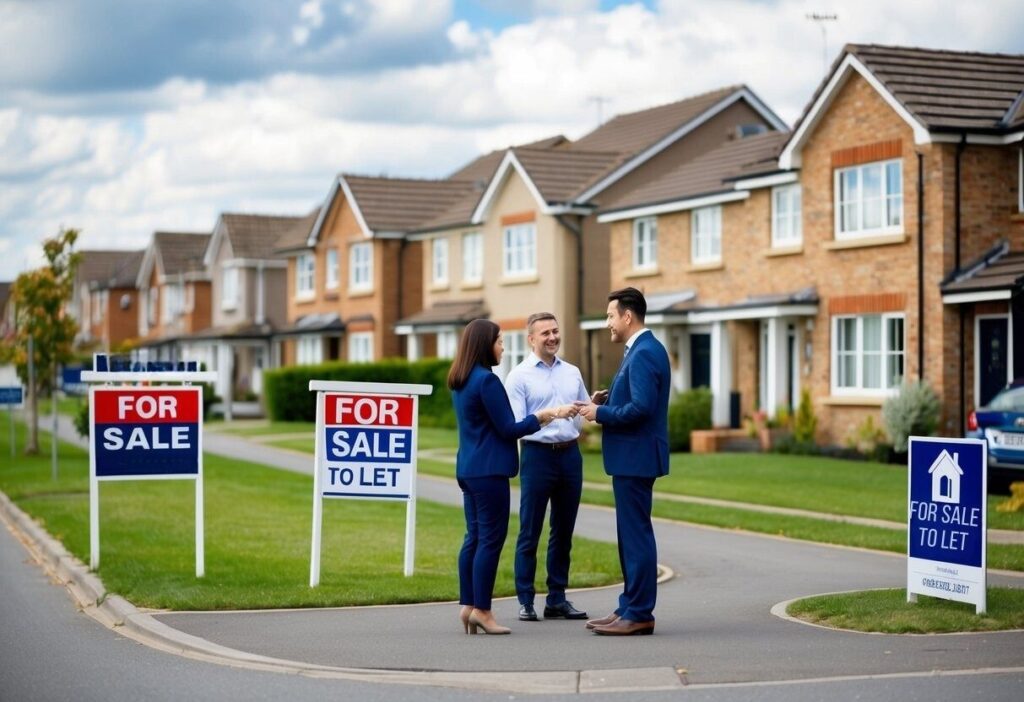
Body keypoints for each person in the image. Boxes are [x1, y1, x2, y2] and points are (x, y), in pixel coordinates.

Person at [448, 318, 577, 635]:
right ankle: (483, 610)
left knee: (474, 538)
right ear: (484, 344)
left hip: (468, 467)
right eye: (500, 341)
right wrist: (547, 415)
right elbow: (510, 429)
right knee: (490, 541)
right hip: (490, 471)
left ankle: (468, 606)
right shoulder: (487, 381)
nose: (503, 348)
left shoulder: (460, 379)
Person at [577, 287, 670, 636]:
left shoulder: (645, 352)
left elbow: (642, 408)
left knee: (636, 536)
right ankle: (628, 607)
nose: (608, 324)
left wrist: (600, 412)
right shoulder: (642, 350)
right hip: (632, 458)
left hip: (637, 458)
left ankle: (640, 613)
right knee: (629, 536)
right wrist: (608, 398)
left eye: (610, 316)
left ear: (627, 316)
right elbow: (634, 398)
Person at [505, 312, 591, 623]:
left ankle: (557, 598)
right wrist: (553, 415)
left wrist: (589, 405)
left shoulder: (572, 372)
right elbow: (517, 425)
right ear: (531, 339)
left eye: (555, 331)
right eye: (545, 333)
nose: (553, 337)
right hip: (537, 457)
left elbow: (582, 411)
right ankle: (525, 600)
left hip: (570, 456)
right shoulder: (518, 377)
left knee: (564, 531)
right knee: (530, 530)